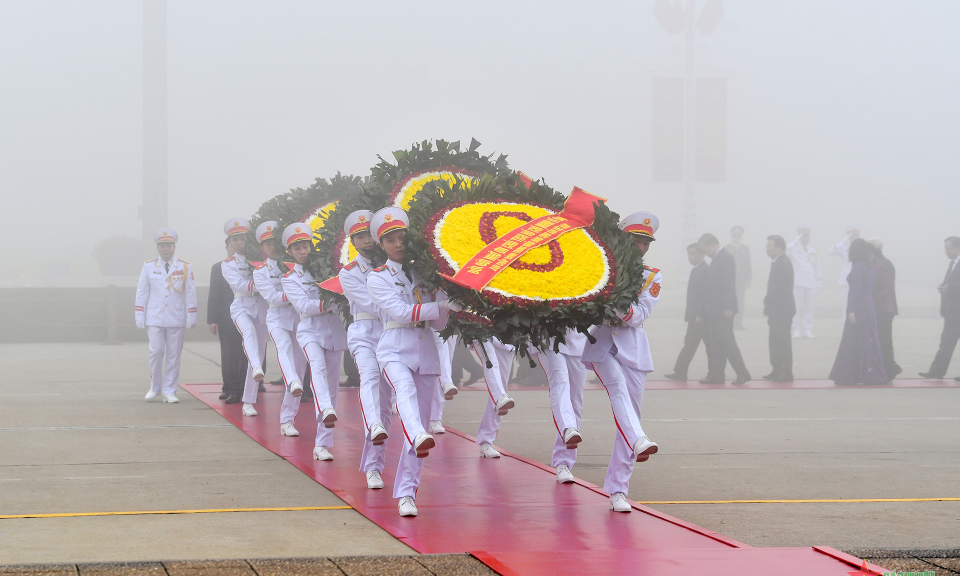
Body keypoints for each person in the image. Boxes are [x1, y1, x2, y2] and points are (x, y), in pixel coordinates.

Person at [366, 207, 457, 517]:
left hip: (426, 350)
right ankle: (418, 433)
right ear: (381, 245)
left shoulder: (427, 273)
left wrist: (449, 300)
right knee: (404, 395)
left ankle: (407, 493)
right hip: (394, 349)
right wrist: (441, 304)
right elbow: (402, 313)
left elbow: (440, 326)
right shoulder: (377, 278)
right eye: (390, 240)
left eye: (401, 238)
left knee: (418, 425)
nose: (398, 244)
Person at [582, 211, 661, 513]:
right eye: (636, 240)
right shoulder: (601, 265)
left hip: (633, 348)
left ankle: (618, 490)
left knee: (629, 415)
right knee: (617, 389)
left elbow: (639, 315)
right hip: (602, 345)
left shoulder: (652, 276)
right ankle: (639, 439)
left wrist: (615, 304)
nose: (641, 247)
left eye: (645, 243)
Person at [281, 222, 348, 461]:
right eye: (297, 248)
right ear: (290, 252)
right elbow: (304, 307)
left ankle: (322, 445)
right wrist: (330, 302)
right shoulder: (290, 278)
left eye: (305, 246)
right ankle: (324, 407)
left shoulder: (327, 268)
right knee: (316, 369)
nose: (302, 251)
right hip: (309, 331)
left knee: (332, 387)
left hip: (333, 330)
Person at [338, 210, 393, 489]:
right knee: (369, 377)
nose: (366, 241)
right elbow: (373, 304)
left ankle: (375, 465)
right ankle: (373, 426)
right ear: (353, 241)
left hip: (391, 333)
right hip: (364, 333)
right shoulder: (348, 273)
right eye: (359, 236)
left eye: (368, 234)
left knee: (386, 401)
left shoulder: (394, 265)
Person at [252, 221, 306, 437]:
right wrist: (295, 295)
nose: (272, 246)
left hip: (298, 318)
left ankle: (287, 419)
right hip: (276, 317)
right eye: (267, 243)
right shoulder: (260, 272)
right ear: (262, 248)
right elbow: (272, 296)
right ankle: (290, 380)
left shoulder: (295, 267)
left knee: (300, 367)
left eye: (275, 242)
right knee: (282, 350)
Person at [135, 228, 197, 403]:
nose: (166, 249)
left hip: (176, 317)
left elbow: (190, 292)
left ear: (174, 247)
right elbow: (142, 292)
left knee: (174, 355)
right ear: (157, 248)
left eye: (169, 245)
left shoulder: (185, 266)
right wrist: (139, 315)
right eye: (162, 245)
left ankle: (170, 390)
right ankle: (155, 386)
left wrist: (191, 315)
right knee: (156, 352)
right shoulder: (148, 266)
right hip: (155, 316)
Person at [220, 218, 268, 417]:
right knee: (247, 332)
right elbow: (240, 285)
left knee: (260, 350)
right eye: (236, 239)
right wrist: (265, 286)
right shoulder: (228, 264)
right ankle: (256, 365)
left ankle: (248, 401)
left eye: (243, 238)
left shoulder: (260, 260)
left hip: (262, 308)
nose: (240, 243)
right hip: (241, 306)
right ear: (230, 243)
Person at [530, 328, 586, 483]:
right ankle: (568, 428)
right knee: (560, 382)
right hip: (547, 338)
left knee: (575, 400)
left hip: (577, 340)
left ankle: (564, 463)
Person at [829, 239, 887, 385]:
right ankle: (870, 374)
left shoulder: (858, 267)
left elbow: (855, 291)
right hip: (868, 305)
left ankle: (849, 375)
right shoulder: (868, 266)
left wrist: (851, 311)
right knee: (868, 340)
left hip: (860, 306)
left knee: (852, 340)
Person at [698, 233, 751, 385]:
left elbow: (728, 283)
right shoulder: (717, 259)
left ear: (712, 245)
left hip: (723, 310)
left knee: (727, 342)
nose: (705, 253)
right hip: (715, 310)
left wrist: (728, 307)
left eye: (705, 249)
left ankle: (743, 373)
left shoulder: (725, 257)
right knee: (716, 343)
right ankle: (717, 374)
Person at [208, 237, 245, 403]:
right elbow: (214, 295)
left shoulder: (250, 266)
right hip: (226, 317)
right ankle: (229, 387)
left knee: (245, 355)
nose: (236, 245)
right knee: (229, 354)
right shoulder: (219, 268)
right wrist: (213, 319)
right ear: (228, 246)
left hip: (246, 315)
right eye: (233, 243)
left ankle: (243, 388)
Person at [665, 243, 708, 381]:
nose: (690, 257)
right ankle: (680, 372)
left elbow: (704, 295)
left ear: (702, 255)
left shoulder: (705, 270)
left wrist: (700, 314)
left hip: (700, 317)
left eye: (693, 254)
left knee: (707, 346)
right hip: (694, 316)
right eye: (689, 254)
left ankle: (715, 373)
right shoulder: (696, 269)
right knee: (690, 344)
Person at [919, 236, 960, 379]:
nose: (946, 252)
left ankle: (937, 371)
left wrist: (951, 288)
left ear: (957, 247)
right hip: (952, 312)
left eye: (948, 248)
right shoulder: (953, 264)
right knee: (946, 342)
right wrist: (943, 287)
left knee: (947, 341)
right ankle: (936, 371)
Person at [470, 338, 517, 458]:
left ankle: (487, 440)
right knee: (490, 363)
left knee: (500, 383)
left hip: (506, 334)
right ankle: (499, 397)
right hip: (480, 327)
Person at [762, 235, 795, 382]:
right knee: (774, 340)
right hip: (775, 308)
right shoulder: (776, 262)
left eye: (770, 245)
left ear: (779, 248)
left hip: (782, 309)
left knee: (782, 341)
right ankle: (776, 368)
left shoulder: (783, 263)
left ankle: (786, 371)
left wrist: (768, 302)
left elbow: (780, 289)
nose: (767, 248)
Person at [868, 239, 901, 379]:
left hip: (884, 309)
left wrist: (871, 299)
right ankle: (888, 367)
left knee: (884, 340)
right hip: (882, 307)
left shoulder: (882, 264)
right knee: (882, 339)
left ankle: (890, 368)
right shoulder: (878, 263)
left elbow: (887, 288)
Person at [787, 225, 821, 338]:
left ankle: (807, 330)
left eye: (808, 235)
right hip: (798, 282)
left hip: (811, 282)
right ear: (799, 236)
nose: (806, 238)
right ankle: (795, 330)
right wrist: (795, 241)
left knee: (809, 308)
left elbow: (817, 267)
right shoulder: (794, 248)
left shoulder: (813, 249)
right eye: (804, 235)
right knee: (796, 308)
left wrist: (818, 283)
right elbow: (786, 250)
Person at [829, 226, 861, 321]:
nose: (855, 237)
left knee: (859, 305)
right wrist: (843, 242)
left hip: (859, 279)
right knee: (846, 306)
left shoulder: (862, 247)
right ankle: (845, 328)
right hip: (846, 281)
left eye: (857, 235)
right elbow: (830, 251)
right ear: (849, 236)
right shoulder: (843, 247)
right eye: (853, 236)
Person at [725, 226, 751, 330]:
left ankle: (739, 323)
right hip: (730, 279)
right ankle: (729, 322)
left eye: (739, 235)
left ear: (741, 236)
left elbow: (748, 264)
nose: (736, 237)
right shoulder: (727, 248)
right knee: (729, 301)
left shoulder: (745, 248)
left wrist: (749, 278)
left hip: (741, 279)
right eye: (735, 235)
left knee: (740, 301)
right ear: (731, 236)